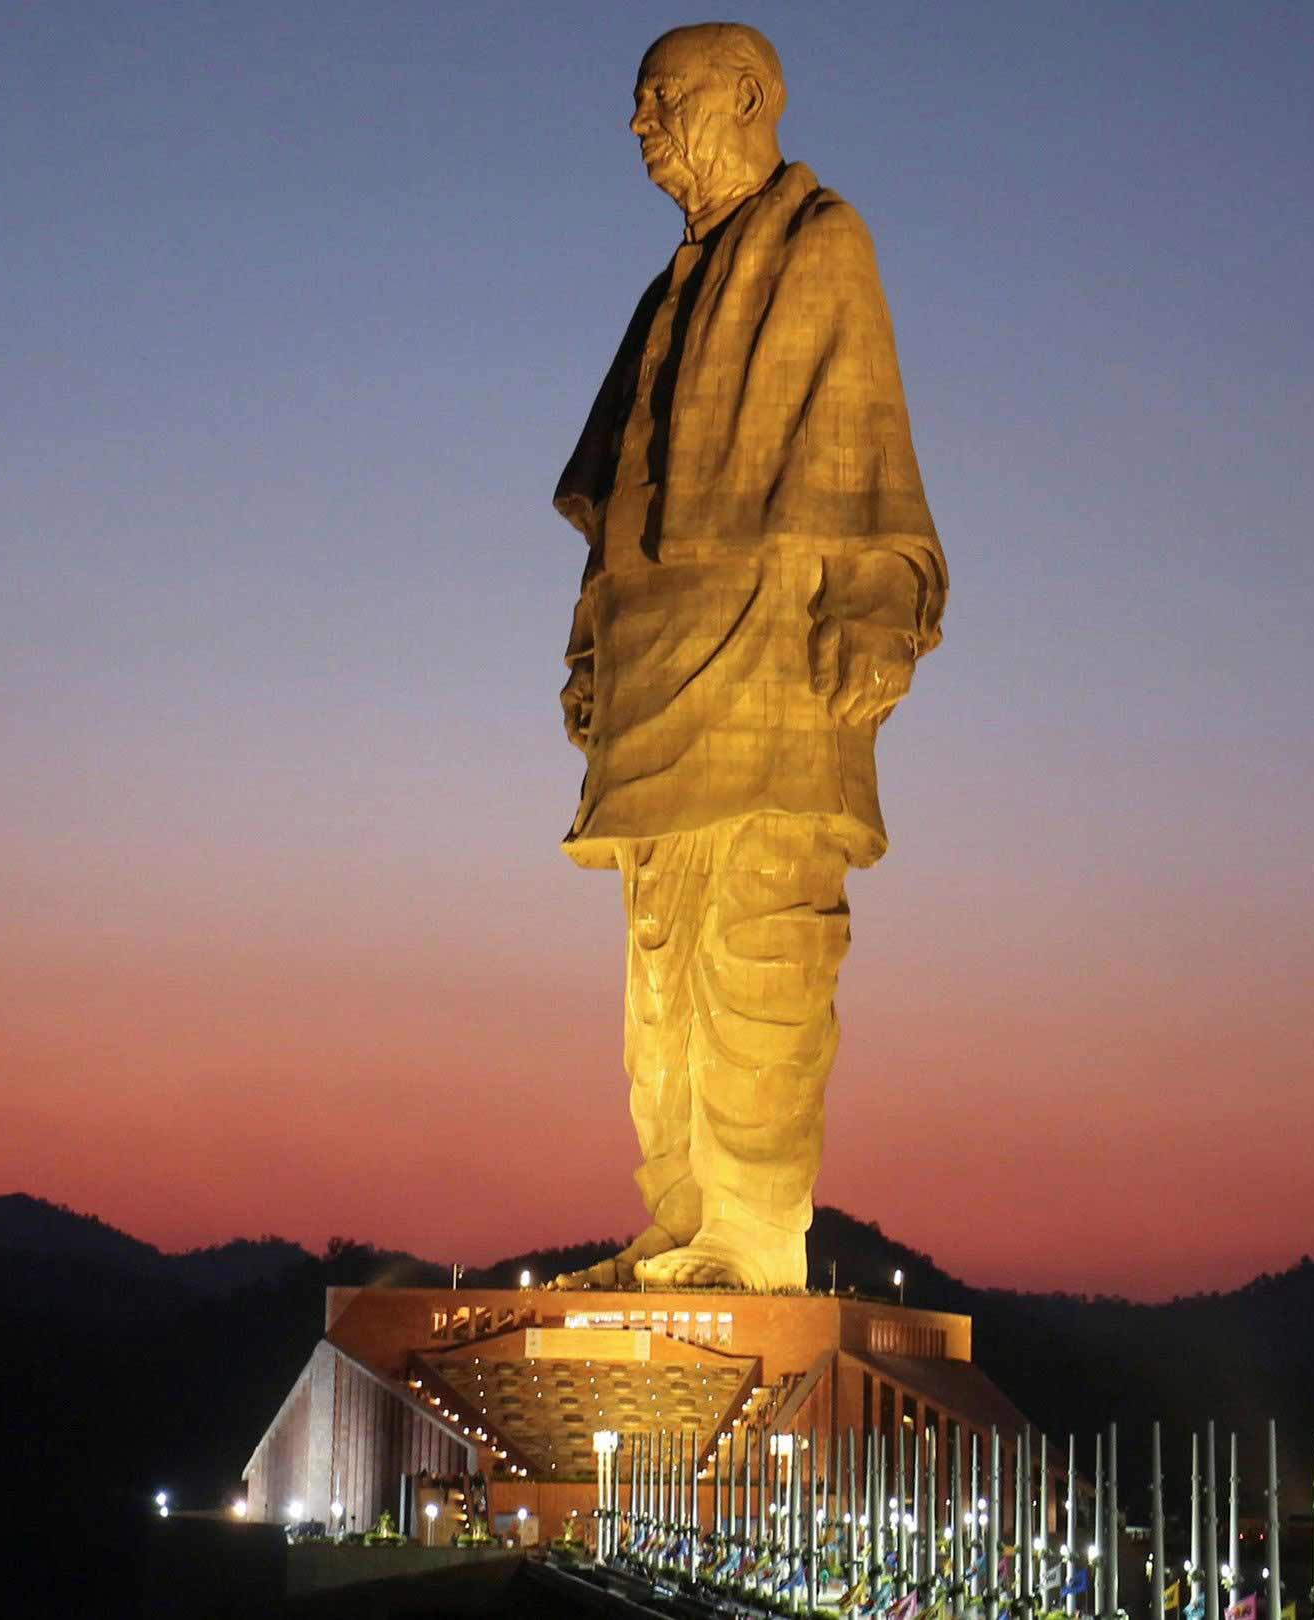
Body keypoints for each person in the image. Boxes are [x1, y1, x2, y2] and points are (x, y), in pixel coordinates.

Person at [549, 22, 945, 1293]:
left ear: (748, 96)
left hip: (773, 648)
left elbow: (863, 443)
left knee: (763, 942)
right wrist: (590, 645)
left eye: (660, 99)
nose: (641, 124)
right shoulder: (663, 291)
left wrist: (877, 605)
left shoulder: (819, 241)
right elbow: (616, 493)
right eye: (638, 102)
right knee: (659, 961)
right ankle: (679, 1219)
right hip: (658, 657)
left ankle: (752, 1231)